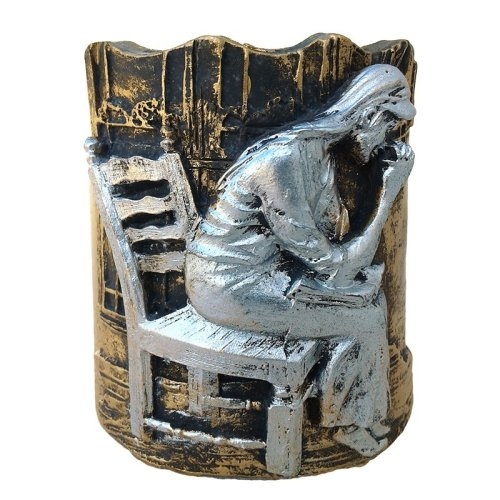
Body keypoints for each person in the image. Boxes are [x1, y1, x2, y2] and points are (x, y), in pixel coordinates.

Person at [185, 64, 416, 456]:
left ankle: (354, 416)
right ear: (370, 116)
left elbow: (332, 250)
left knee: (370, 301)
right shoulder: (284, 160)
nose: (388, 140)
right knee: (364, 317)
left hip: (266, 275)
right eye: (389, 127)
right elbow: (334, 267)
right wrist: (387, 191)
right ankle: (348, 426)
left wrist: (347, 276)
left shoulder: (318, 154)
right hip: (226, 286)